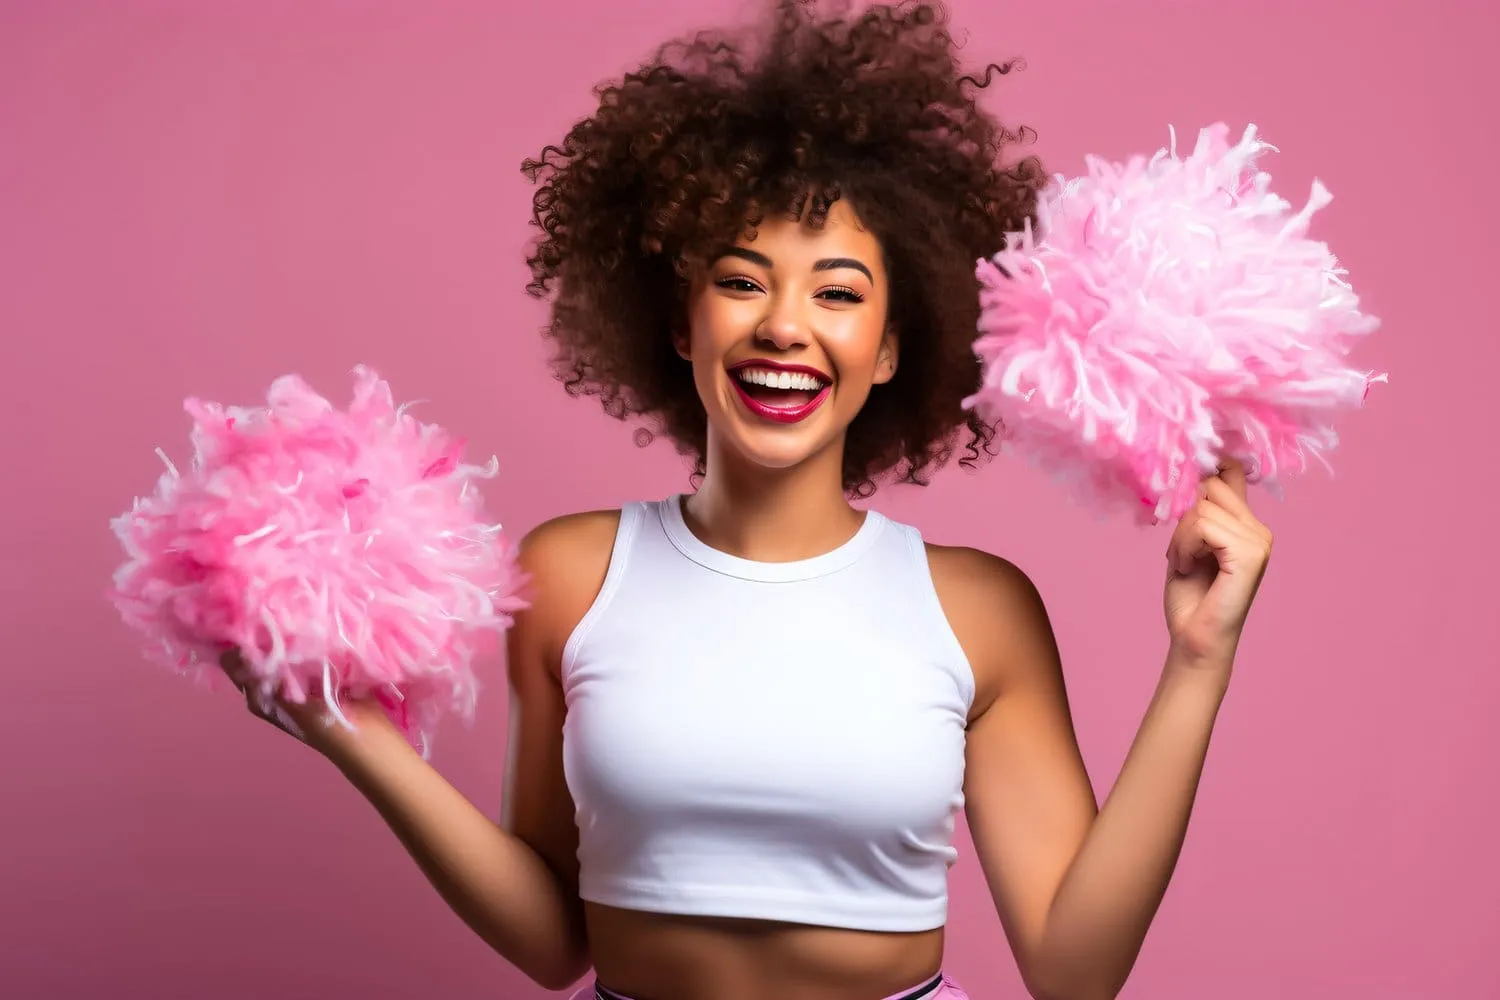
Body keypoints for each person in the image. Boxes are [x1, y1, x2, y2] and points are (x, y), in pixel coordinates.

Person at [224, 2, 1273, 998]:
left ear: (893, 347)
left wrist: (1198, 660)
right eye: (739, 280)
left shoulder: (979, 608)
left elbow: (1073, 971)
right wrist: (346, 731)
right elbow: (554, 940)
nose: (784, 326)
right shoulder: (569, 574)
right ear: (679, 323)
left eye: (838, 292)